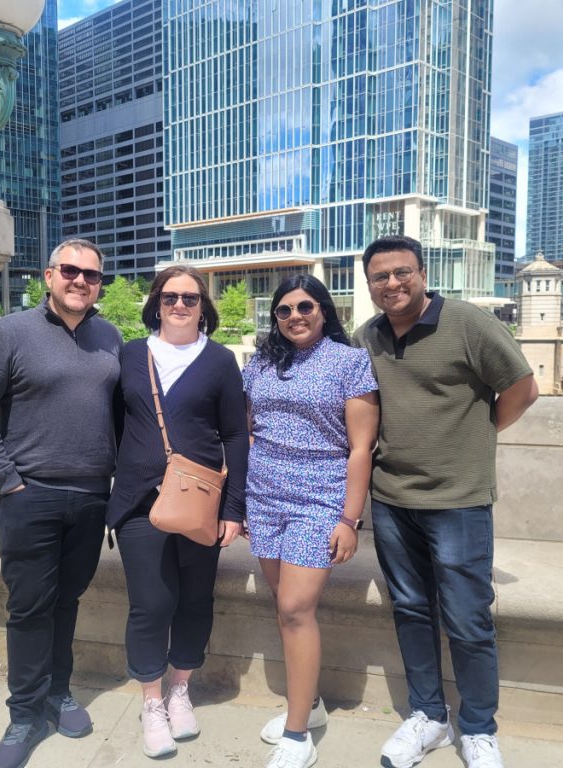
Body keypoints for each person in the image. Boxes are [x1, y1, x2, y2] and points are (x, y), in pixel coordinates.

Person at [353, 235, 538, 768]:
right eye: (381, 277)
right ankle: (429, 716)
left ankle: (478, 728)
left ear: (423, 272)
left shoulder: (468, 323)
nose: (392, 283)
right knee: (411, 610)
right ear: (370, 285)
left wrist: (474, 439)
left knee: (467, 618)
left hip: (459, 500)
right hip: (391, 498)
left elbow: (522, 388)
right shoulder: (369, 337)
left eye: (402, 272)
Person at [0, 239, 123, 768]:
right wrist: (7, 481)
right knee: (29, 608)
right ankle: (24, 715)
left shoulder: (111, 337)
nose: (81, 281)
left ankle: (58, 692)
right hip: (29, 494)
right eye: (71, 271)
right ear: (49, 276)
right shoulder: (10, 332)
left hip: (92, 495)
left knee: (67, 600)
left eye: (92, 275)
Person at [106, 265, 249, 759]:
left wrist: (234, 507)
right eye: (171, 297)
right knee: (151, 605)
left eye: (190, 298)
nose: (181, 306)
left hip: (199, 503)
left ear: (203, 306)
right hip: (139, 505)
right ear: (156, 302)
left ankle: (181, 689)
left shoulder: (220, 362)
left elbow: (235, 435)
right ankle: (151, 701)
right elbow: (116, 426)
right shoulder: (129, 355)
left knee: (194, 601)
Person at [243, 275, 379, 768]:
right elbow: (246, 429)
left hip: (318, 501)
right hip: (263, 497)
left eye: (305, 306)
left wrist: (349, 517)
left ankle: (298, 735)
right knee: (284, 609)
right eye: (284, 310)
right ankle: (312, 706)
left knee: (297, 609)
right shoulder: (260, 362)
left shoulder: (350, 362)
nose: (295, 316)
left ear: (324, 310)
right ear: (274, 317)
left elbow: (361, 447)